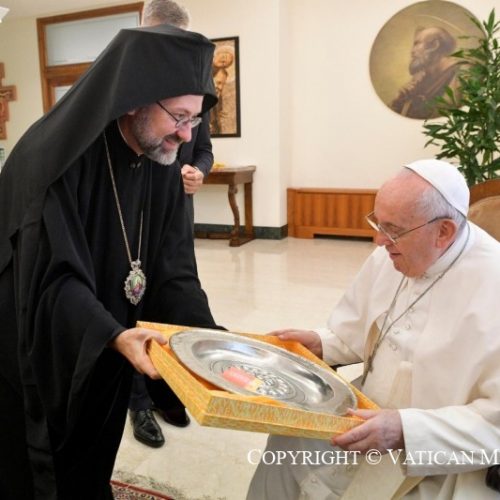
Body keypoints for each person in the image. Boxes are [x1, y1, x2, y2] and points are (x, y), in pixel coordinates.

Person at [0, 23, 218, 499]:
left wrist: (210, 345)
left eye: (196, 120)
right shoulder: (55, 159)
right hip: (44, 342)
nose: (186, 135)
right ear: (135, 99)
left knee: (94, 447)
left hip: (112, 339)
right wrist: (111, 334)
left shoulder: (161, 157)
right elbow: (51, 279)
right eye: (179, 116)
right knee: (38, 463)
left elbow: (175, 269)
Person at [247, 160, 500, 499]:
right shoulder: (392, 252)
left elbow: (494, 422)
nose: (379, 240)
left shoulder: (493, 282)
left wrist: (406, 431)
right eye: (378, 223)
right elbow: (356, 330)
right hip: (366, 412)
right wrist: (320, 343)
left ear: (443, 232)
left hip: (435, 454)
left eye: (392, 230)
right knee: (288, 435)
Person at [127, 0, 216, 450]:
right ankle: (138, 400)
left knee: (175, 292)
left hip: (175, 214)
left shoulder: (194, 92)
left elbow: (204, 149)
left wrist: (199, 171)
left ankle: (168, 389)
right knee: (131, 299)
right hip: (133, 211)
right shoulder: (130, 92)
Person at [391, 26, 460, 119]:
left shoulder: (464, 75)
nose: (412, 51)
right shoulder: (421, 80)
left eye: (417, 44)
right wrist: (398, 101)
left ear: (434, 45)